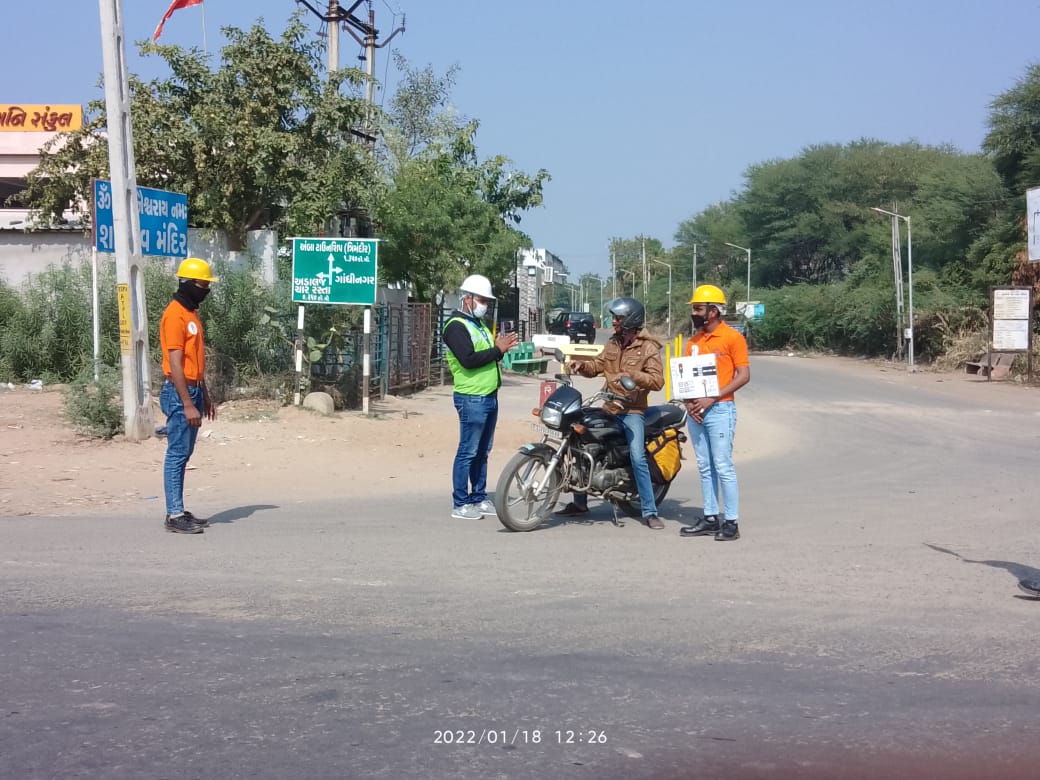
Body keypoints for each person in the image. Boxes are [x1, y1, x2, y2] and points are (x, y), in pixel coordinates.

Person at [556, 297, 666, 530]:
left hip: (632, 411)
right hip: (609, 406)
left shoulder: (648, 347)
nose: (614, 322)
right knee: (579, 439)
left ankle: (649, 511)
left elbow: (658, 381)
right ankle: (580, 502)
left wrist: (633, 376)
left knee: (637, 456)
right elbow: (597, 365)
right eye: (614, 318)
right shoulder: (613, 343)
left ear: (631, 320)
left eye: (618, 318)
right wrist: (581, 365)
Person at [443, 274, 519, 519]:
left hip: (488, 396)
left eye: (487, 301)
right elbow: (468, 359)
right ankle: (460, 503)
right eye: (482, 300)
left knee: (482, 451)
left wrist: (499, 349)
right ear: (467, 299)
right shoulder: (455, 327)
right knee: (468, 450)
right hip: (471, 397)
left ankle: (478, 497)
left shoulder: (478, 325)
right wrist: (497, 349)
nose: (485, 305)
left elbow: (489, 355)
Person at [679, 284, 750, 541]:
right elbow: (686, 378)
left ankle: (731, 522)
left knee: (722, 465)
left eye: (699, 309)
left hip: (720, 409)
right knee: (705, 466)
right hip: (697, 411)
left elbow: (743, 375)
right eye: (694, 309)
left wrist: (713, 397)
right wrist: (690, 404)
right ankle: (710, 517)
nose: (694, 313)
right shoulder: (693, 342)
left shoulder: (732, 338)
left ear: (713, 311)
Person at [159, 257, 219, 534]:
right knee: (177, 454)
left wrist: (203, 396)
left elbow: (195, 361)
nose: (206, 290)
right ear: (187, 283)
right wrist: (186, 403)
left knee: (184, 453)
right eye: (202, 284)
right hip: (179, 392)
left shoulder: (191, 313)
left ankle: (179, 509)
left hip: (192, 390)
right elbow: (175, 363)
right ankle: (174, 515)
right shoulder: (175, 315)